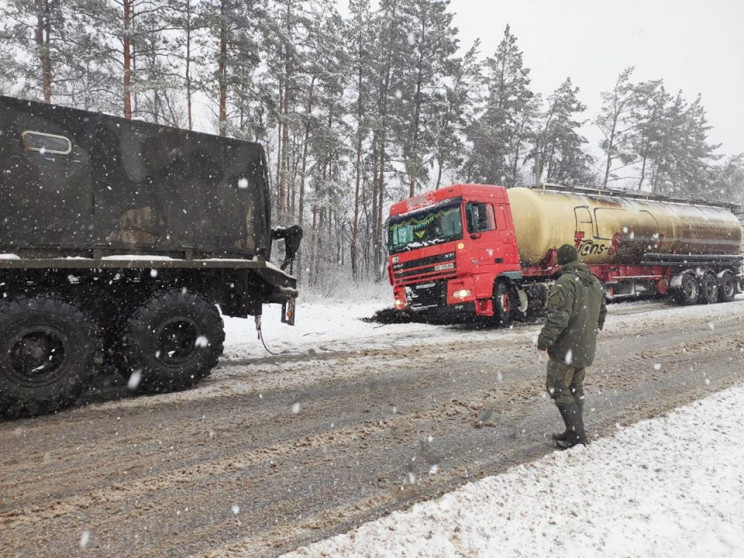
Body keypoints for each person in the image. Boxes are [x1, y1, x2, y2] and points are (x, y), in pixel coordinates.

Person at [537, 244, 607, 449]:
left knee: (558, 387)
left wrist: (544, 341)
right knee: (575, 387)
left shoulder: (565, 283)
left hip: (566, 347)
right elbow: (602, 313)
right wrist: (589, 333)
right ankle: (573, 431)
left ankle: (577, 436)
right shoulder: (594, 281)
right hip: (584, 346)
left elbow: (558, 318)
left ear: (562, 261)